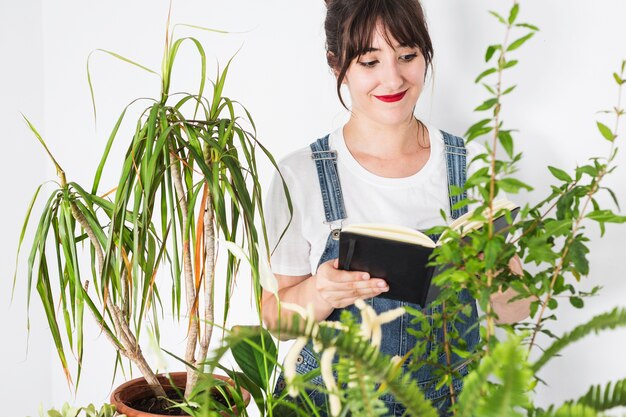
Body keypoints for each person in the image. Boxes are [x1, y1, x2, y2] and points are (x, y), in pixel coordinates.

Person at [261, 0, 531, 415]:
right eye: (369, 61)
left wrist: (491, 268)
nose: (392, 78)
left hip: (447, 402)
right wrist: (320, 291)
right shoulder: (299, 175)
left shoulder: (473, 165)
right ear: (337, 65)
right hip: (324, 402)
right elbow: (275, 320)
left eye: (407, 56)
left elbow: (518, 310)